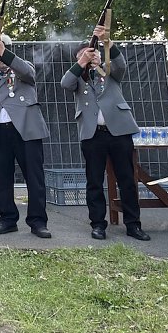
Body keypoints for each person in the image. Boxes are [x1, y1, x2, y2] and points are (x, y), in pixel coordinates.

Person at [61, 26, 151, 241]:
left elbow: (121, 65)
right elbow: (65, 83)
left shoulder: (109, 71)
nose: (91, 57)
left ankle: (133, 224)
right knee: (93, 181)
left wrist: (107, 42)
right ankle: (98, 224)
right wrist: (82, 62)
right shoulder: (78, 78)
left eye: (94, 53)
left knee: (127, 179)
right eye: (85, 54)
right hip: (93, 135)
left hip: (119, 132)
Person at [0, 34, 52, 238]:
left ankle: (38, 221)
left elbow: (28, 73)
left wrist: (4, 52)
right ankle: (7, 219)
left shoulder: (22, 67)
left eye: (1, 50)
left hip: (25, 129)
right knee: (2, 179)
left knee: (34, 177)